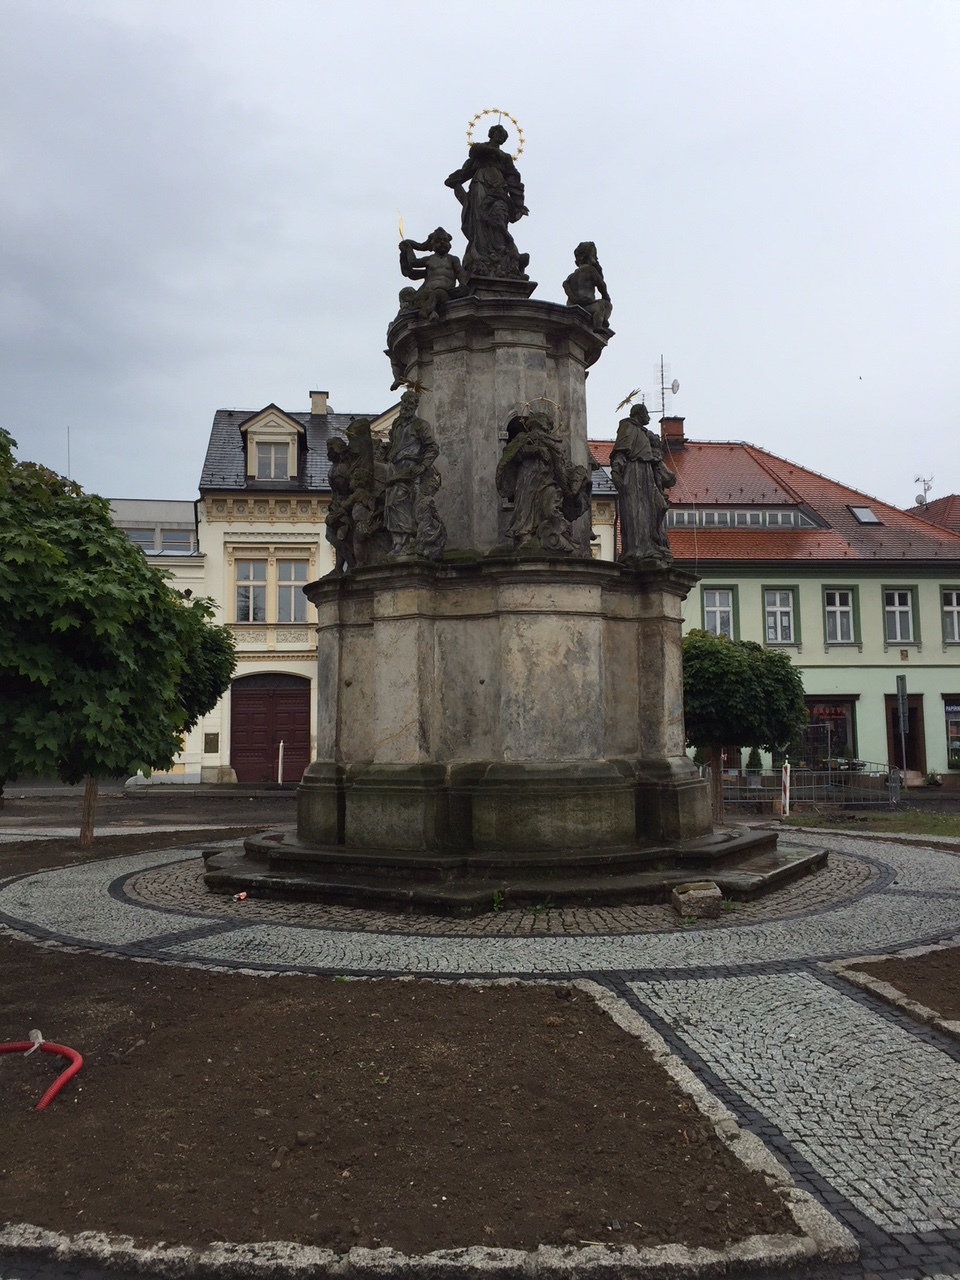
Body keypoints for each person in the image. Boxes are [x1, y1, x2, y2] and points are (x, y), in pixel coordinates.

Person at [445, 124, 529, 280]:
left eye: (503, 136)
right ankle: (483, 252)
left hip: (499, 188)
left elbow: (513, 178)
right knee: (480, 219)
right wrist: (456, 180)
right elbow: (471, 159)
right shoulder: (481, 151)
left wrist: (519, 202)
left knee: (499, 215)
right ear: (492, 133)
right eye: (498, 133)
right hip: (481, 184)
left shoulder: (505, 158)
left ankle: (500, 249)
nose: (500, 137)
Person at [610, 404, 676, 565]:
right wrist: (616, 472)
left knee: (654, 508)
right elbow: (620, 452)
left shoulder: (644, 432)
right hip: (633, 473)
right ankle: (636, 551)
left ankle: (651, 546)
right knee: (635, 511)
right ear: (639, 414)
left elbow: (655, 460)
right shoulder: (627, 426)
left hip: (647, 475)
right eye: (646, 413)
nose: (649, 417)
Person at [397, 227, 466, 322]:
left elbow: (460, 273)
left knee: (437, 294)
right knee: (420, 298)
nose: (442, 243)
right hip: (427, 291)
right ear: (432, 245)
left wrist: (463, 285)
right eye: (438, 241)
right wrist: (407, 249)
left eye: (445, 240)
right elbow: (413, 264)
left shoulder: (452, 259)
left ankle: (426, 312)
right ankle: (431, 312)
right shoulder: (429, 260)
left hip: (445, 292)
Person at [562, 242, 612, 330]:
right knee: (603, 305)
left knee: (599, 307)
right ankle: (599, 323)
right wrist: (606, 296)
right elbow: (601, 284)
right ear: (588, 257)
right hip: (587, 304)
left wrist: (573, 298)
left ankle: (601, 319)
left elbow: (565, 284)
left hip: (572, 304)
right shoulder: (591, 270)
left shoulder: (572, 276)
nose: (597, 258)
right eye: (594, 256)